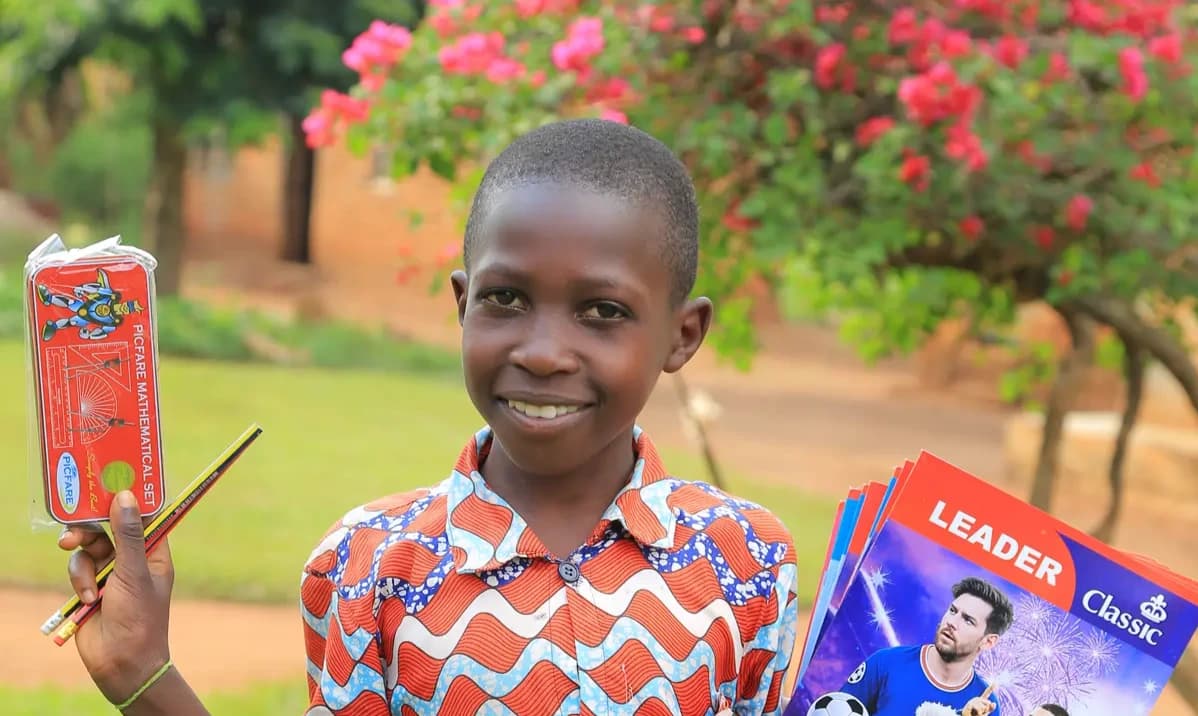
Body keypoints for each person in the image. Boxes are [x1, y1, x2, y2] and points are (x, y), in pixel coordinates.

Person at [57, 118, 800, 715]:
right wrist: (143, 675)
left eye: (602, 311)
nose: (543, 352)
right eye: (505, 298)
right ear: (462, 302)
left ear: (682, 335)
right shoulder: (366, 565)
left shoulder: (744, 560)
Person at [837, 576, 1013, 716]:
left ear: (988, 641)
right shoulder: (887, 662)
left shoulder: (985, 706)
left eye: (967, 620)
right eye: (953, 611)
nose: (952, 622)